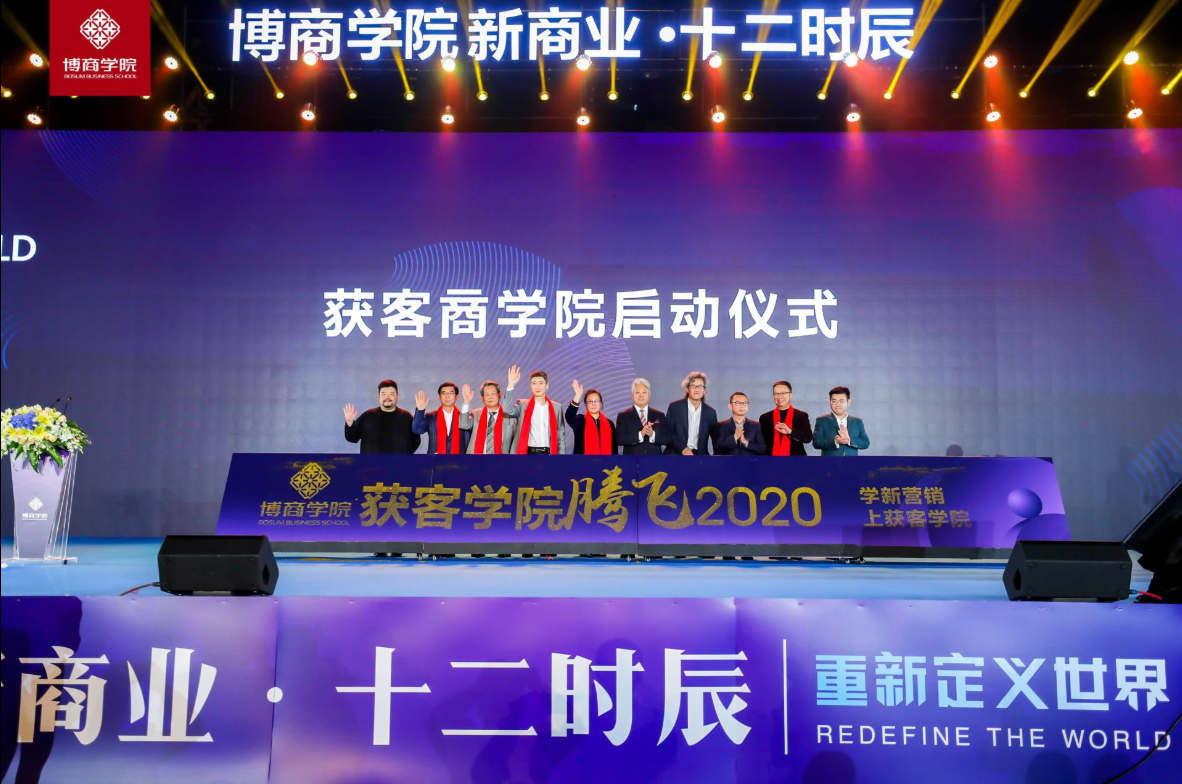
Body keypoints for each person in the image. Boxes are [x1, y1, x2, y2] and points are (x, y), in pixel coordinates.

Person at [343, 380, 420, 453]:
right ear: (378, 397)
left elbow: (416, 441)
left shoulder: (406, 417)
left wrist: (404, 456)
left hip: (399, 462)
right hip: (371, 462)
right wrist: (349, 423)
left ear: (397, 397)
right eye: (383, 394)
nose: (387, 397)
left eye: (391, 394)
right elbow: (352, 438)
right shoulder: (367, 416)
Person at [506, 369, 566, 454]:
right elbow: (508, 410)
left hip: (549, 454)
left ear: (547, 385)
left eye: (541, 383)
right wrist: (511, 385)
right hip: (527, 454)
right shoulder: (523, 405)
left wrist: (561, 457)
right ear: (530, 386)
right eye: (534, 383)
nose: (537, 387)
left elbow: (560, 435)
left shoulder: (556, 407)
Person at [463, 375, 520, 455]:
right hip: (476, 458)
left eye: (493, 393)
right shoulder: (475, 414)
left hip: (502, 460)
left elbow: (515, 442)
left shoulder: (510, 418)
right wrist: (466, 403)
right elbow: (463, 425)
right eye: (487, 394)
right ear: (482, 398)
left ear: (499, 395)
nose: (490, 397)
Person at [665, 371, 718, 455]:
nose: (697, 389)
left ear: (704, 390)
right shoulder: (675, 407)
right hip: (676, 454)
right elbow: (667, 432)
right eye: (693, 386)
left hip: (699, 457)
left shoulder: (710, 413)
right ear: (687, 389)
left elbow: (716, 440)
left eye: (700, 386)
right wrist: (683, 449)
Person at [412, 382, 471, 455]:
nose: (447, 396)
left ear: (457, 397)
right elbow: (417, 430)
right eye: (443, 393)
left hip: (459, 460)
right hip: (435, 460)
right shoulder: (431, 416)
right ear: (439, 397)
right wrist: (420, 410)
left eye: (451, 393)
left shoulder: (464, 417)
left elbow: (468, 441)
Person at [759, 380, 813, 456]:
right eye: (776, 393)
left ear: (791, 395)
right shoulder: (764, 418)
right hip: (770, 459)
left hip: (796, 459)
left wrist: (790, 432)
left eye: (783, 393)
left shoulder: (801, 416)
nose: (779, 396)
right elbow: (761, 442)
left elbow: (808, 438)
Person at [813, 386, 870, 456]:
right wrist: (835, 441)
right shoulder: (821, 420)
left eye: (841, 401)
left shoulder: (857, 422)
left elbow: (865, 443)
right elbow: (816, 443)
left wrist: (849, 440)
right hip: (829, 462)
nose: (837, 404)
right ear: (830, 402)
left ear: (848, 402)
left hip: (851, 462)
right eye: (834, 401)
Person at [615, 378, 666, 455]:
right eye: (637, 392)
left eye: (644, 392)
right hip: (632, 460)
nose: (641, 396)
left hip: (654, 460)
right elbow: (619, 439)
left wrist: (652, 434)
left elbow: (667, 439)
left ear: (649, 395)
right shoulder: (623, 415)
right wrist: (640, 435)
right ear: (632, 395)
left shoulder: (659, 415)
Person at [566, 380, 616, 455]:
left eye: (596, 401)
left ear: (601, 403)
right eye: (590, 401)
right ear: (586, 404)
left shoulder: (609, 424)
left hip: (606, 462)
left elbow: (614, 449)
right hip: (583, 462)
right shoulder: (580, 420)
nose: (593, 404)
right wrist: (577, 396)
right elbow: (569, 416)